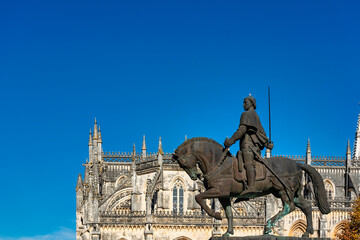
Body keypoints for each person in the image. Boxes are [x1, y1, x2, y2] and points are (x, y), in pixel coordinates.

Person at [224, 95, 273, 196]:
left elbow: (242, 130)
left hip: (248, 145)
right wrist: (267, 143)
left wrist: (230, 141)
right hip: (254, 147)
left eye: (245, 102)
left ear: (251, 103)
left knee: (248, 164)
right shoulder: (256, 117)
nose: (243, 104)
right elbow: (262, 133)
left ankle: (251, 187)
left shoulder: (246, 114)